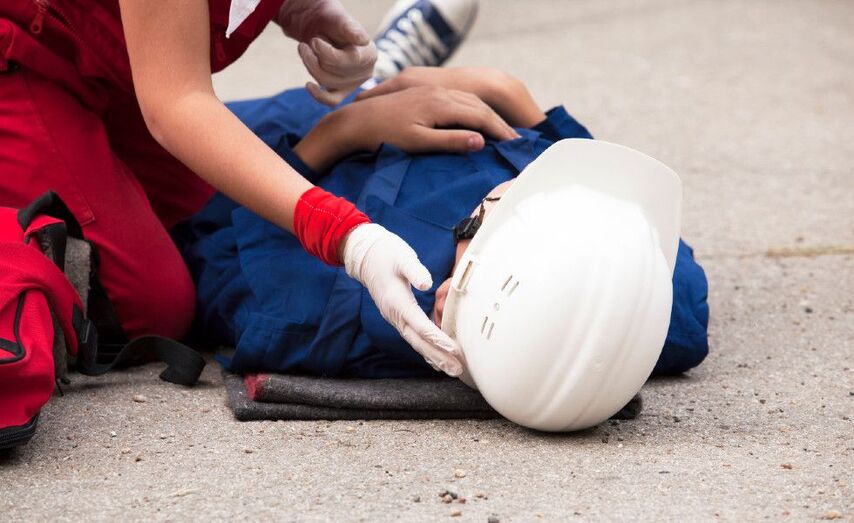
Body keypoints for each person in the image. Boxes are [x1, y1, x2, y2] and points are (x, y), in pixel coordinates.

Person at [0, 0, 483, 378]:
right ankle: (358, 98)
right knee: (147, 306)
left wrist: (296, 8)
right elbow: (177, 104)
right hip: (28, 59)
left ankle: (363, 95)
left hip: (118, 62)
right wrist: (347, 236)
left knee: (216, 213)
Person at [176, 66, 711, 379]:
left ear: (449, 295)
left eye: (492, 215)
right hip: (451, 108)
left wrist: (340, 131)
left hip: (302, 144)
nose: (521, 183)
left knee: (174, 123)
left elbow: (207, 224)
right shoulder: (661, 310)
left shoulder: (301, 313)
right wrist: (508, 94)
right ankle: (393, 69)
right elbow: (610, 192)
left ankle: (383, 69)